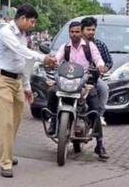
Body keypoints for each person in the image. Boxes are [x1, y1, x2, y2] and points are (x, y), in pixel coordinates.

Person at [0, 4, 56, 178]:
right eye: (32, 22)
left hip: (16, 81)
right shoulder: (6, 33)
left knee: (16, 120)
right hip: (1, 80)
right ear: (23, 18)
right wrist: (43, 58)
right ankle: (6, 162)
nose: (33, 25)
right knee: (7, 123)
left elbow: (24, 62)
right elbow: (20, 51)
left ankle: (1, 153)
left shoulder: (24, 36)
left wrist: (27, 87)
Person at [47, 21, 109, 160]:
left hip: (84, 82)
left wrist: (101, 66)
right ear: (69, 33)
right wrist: (52, 62)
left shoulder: (89, 46)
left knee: (95, 108)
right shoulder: (65, 47)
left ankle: (100, 144)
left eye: (77, 31)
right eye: (72, 32)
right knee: (51, 92)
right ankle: (53, 121)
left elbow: (98, 59)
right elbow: (57, 59)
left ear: (81, 32)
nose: (74, 34)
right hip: (67, 81)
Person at [81, 16, 113, 126]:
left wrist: (104, 68)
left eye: (93, 30)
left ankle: (99, 115)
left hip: (93, 79)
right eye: (88, 29)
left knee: (104, 88)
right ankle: (56, 117)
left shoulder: (100, 45)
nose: (91, 32)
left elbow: (108, 61)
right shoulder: (73, 45)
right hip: (75, 78)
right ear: (82, 30)